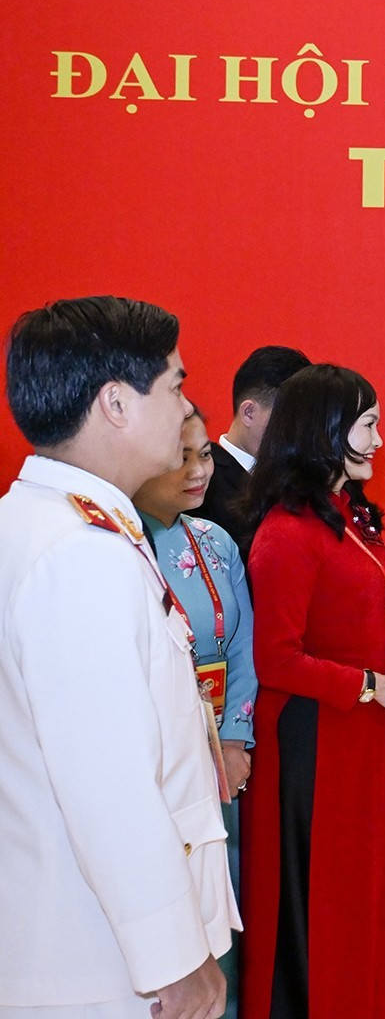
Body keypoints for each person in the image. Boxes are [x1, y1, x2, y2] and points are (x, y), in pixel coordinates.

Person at [0, 295, 239, 1019]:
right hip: (99, 962)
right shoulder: (80, 554)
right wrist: (176, 959)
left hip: (73, 937)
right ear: (115, 404)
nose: (185, 408)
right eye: (174, 385)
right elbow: (109, 783)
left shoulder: (42, 525)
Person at [239, 364, 385, 1019]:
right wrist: (373, 685)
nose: (379, 440)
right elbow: (276, 660)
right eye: (368, 424)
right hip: (315, 743)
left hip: (363, 732)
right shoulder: (287, 532)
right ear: (325, 429)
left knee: (366, 895)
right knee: (323, 904)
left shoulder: (349, 520)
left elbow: (368, 620)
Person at [134, 405, 262, 1019]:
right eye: (181, 457)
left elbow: (245, 646)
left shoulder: (215, 539)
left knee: (221, 890)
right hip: (156, 753)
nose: (198, 471)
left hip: (219, 755)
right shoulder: (117, 545)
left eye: (205, 454)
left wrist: (235, 740)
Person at [202, 346, 310, 555]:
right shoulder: (203, 479)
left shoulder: (297, 481)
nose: (300, 432)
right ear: (249, 412)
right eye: (290, 420)